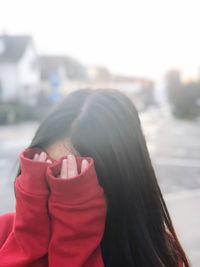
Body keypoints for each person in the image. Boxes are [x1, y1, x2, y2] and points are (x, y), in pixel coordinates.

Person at [0, 88, 189, 267]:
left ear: (121, 182)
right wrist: (28, 241)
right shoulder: (5, 231)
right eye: (43, 172)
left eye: (76, 180)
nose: (55, 195)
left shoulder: (151, 253)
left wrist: (75, 240)